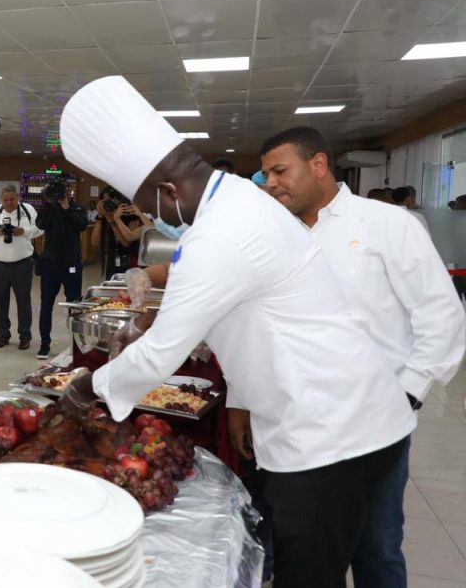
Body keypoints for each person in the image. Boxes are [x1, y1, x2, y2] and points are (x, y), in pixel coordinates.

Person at [58, 75, 416, 588]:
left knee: (309, 571)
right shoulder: (241, 204)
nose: (153, 218)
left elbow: (162, 353)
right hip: (327, 412)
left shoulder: (221, 232)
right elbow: (230, 305)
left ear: (166, 189)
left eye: (150, 207)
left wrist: (85, 387)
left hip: (329, 432)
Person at [260, 126, 465, 588]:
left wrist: (409, 392)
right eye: (265, 174)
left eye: (279, 170)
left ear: (318, 165)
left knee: (375, 546)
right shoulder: (276, 235)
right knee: (306, 546)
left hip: (375, 422)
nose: (271, 182)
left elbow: (441, 313)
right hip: (297, 419)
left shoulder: (387, 224)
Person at [0, 184, 43, 350]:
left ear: (18, 197)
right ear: (1, 199)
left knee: (23, 300)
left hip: (23, 263)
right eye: (5, 200)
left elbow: (40, 228)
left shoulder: (28, 210)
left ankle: (25, 336)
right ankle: (3, 335)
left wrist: (24, 231)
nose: (9, 203)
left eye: (12, 199)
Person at [35, 180, 88, 359]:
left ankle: (77, 345)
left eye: (66, 189)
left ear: (70, 191)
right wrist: (47, 204)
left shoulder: (78, 208)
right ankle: (44, 344)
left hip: (72, 262)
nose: (63, 193)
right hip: (50, 263)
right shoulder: (49, 208)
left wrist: (67, 209)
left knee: (74, 306)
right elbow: (40, 224)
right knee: (46, 305)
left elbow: (81, 225)